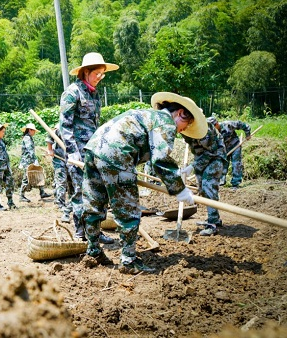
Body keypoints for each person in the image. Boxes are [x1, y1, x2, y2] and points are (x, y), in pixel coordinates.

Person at [80, 92, 205, 274]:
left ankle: (93, 251)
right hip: (117, 153)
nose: (182, 131)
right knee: (128, 210)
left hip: (94, 148)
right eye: (186, 125)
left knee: (94, 203)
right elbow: (160, 159)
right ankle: (128, 261)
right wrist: (180, 189)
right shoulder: (165, 121)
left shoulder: (148, 115)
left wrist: (176, 176)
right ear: (180, 114)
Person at [59, 52, 118, 244]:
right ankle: (80, 232)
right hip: (77, 152)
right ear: (85, 72)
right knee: (80, 192)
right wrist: (72, 152)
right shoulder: (72, 92)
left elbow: (95, 124)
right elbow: (65, 125)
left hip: (93, 151)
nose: (100, 77)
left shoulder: (94, 94)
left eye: (102, 74)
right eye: (96, 73)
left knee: (98, 191)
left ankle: (96, 231)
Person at [182, 116, 228, 236]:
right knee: (202, 190)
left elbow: (211, 152)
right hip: (200, 159)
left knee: (209, 187)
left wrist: (193, 166)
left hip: (215, 157)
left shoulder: (206, 129)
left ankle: (212, 224)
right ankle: (215, 219)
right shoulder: (183, 128)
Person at [209, 115, 251, 190]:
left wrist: (248, 134)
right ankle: (221, 181)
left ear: (217, 124)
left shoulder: (228, 125)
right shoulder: (212, 133)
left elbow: (242, 125)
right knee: (222, 164)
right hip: (224, 149)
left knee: (236, 164)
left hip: (235, 146)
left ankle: (235, 183)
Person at [18, 123, 52, 202]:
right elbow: (30, 150)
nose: (34, 132)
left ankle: (42, 192)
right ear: (30, 130)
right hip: (27, 161)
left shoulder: (29, 138)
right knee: (26, 178)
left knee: (38, 175)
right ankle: (21, 196)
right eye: (34, 131)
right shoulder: (27, 138)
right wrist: (35, 160)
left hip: (30, 160)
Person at [46, 125, 72, 223]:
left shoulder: (75, 127)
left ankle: (71, 202)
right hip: (59, 158)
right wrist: (50, 149)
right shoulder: (60, 127)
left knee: (71, 182)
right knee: (61, 181)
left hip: (70, 159)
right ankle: (60, 204)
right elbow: (50, 136)